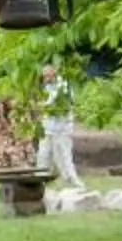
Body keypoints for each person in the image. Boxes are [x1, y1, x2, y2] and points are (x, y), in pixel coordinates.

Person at [37, 62, 86, 193]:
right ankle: (39, 181)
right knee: (43, 154)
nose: (46, 78)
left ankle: (72, 178)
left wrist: (45, 105)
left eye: (48, 75)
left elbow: (60, 104)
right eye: (44, 76)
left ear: (54, 73)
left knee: (64, 155)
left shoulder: (63, 86)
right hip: (47, 127)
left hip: (62, 127)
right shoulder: (45, 87)